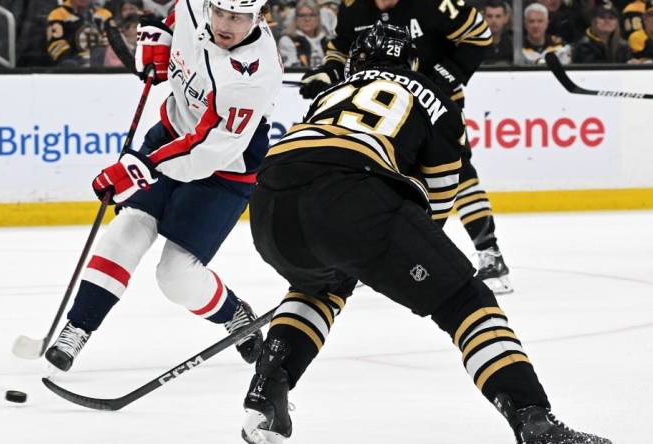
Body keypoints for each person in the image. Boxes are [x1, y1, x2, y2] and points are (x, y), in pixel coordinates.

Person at [239, 23, 613, 444]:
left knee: (317, 288)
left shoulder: (329, 95)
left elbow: (317, 158)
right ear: (411, 61)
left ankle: (268, 386)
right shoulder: (436, 98)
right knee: (464, 299)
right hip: (351, 194)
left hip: (269, 204)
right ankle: (533, 419)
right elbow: (435, 210)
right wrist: (391, 253)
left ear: (356, 61)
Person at [44, 0, 282, 372]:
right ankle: (78, 326)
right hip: (170, 135)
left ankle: (234, 314)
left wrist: (141, 167)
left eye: (237, 18)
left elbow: (206, 150)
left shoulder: (253, 77)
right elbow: (177, 15)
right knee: (125, 232)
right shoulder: (197, 4)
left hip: (222, 170)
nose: (224, 23)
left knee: (175, 277)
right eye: (219, 12)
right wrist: (164, 36)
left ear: (258, 16)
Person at [297, 0, 514, 295]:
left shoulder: (438, 3)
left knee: (457, 173)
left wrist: (435, 80)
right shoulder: (353, 7)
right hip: (383, 108)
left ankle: (490, 254)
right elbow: (342, 48)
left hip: (434, 104)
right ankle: (366, 258)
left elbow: (478, 38)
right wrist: (326, 74)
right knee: (371, 176)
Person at [46, 0, 113, 67]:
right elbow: (55, 44)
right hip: (72, 67)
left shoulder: (105, 14)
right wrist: (75, 59)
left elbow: (111, 41)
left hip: (101, 67)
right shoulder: (58, 14)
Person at [277, 0, 329, 68]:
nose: (307, 19)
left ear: (318, 18)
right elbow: (291, 70)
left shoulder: (326, 40)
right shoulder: (287, 41)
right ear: (295, 18)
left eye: (312, 15)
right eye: (302, 15)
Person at [483, 0, 514, 65]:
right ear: (483, 18)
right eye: (489, 16)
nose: (494, 20)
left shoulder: (513, 44)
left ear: (506, 18)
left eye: (498, 16)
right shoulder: (474, 45)